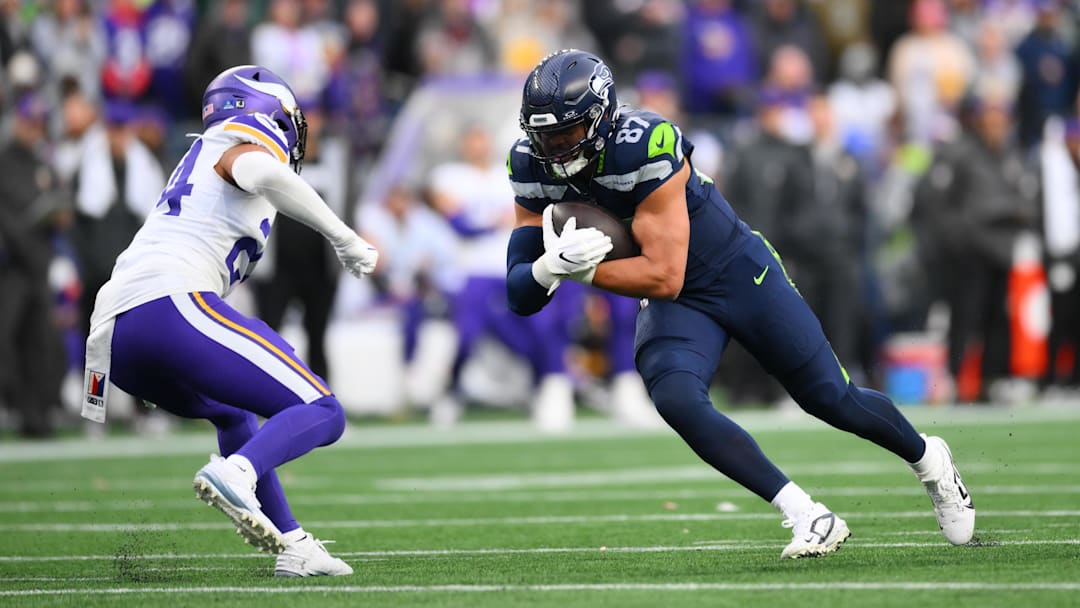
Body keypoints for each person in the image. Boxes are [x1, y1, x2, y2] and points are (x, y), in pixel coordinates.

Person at [505, 49, 975, 559]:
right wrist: (547, 269)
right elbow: (519, 292)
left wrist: (584, 271)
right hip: (681, 302)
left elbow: (664, 275)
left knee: (829, 397)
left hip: (735, 272)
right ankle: (807, 514)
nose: (554, 149)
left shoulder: (644, 144)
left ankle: (929, 460)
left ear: (601, 117)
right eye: (544, 137)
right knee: (676, 397)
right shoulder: (530, 163)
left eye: (567, 134)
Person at [81, 66, 378, 576]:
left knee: (234, 415)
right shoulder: (234, 143)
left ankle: (293, 544)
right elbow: (265, 174)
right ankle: (238, 472)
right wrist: (344, 237)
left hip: (119, 336)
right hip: (169, 304)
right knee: (324, 410)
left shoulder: (200, 156)